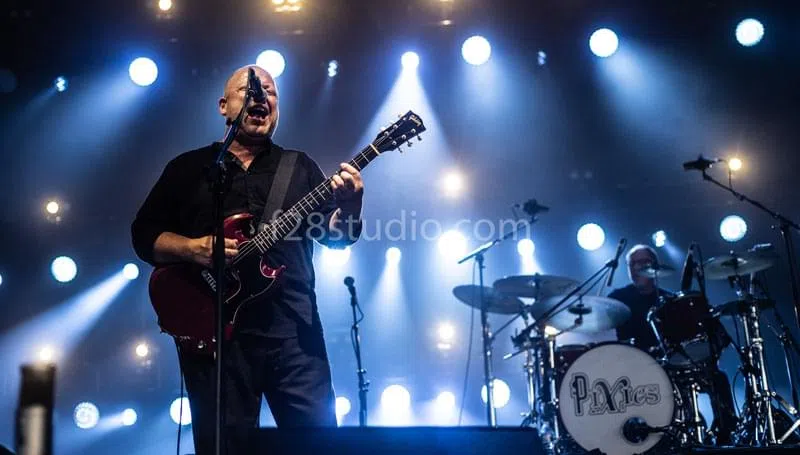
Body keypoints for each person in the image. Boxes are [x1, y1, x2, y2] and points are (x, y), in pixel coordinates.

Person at [131, 65, 364, 454]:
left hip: (294, 333)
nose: (261, 97)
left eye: (270, 92)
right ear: (224, 106)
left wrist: (352, 205)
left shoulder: (299, 167)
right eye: (250, 89)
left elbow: (337, 237)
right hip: (217, 336)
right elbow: (144, 236)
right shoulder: (189, 169)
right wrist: (193, 248)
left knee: (319, 444)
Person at [609, 244, 738, 445]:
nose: (639, 267)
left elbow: (687, 338)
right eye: (634, 263)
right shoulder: (618, 300)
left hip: (671, 363)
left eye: (644, 262)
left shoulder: (668, 299)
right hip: (635, 367)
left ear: (655, 265)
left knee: (717, 378)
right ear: (628, 268)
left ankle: (725, 435)